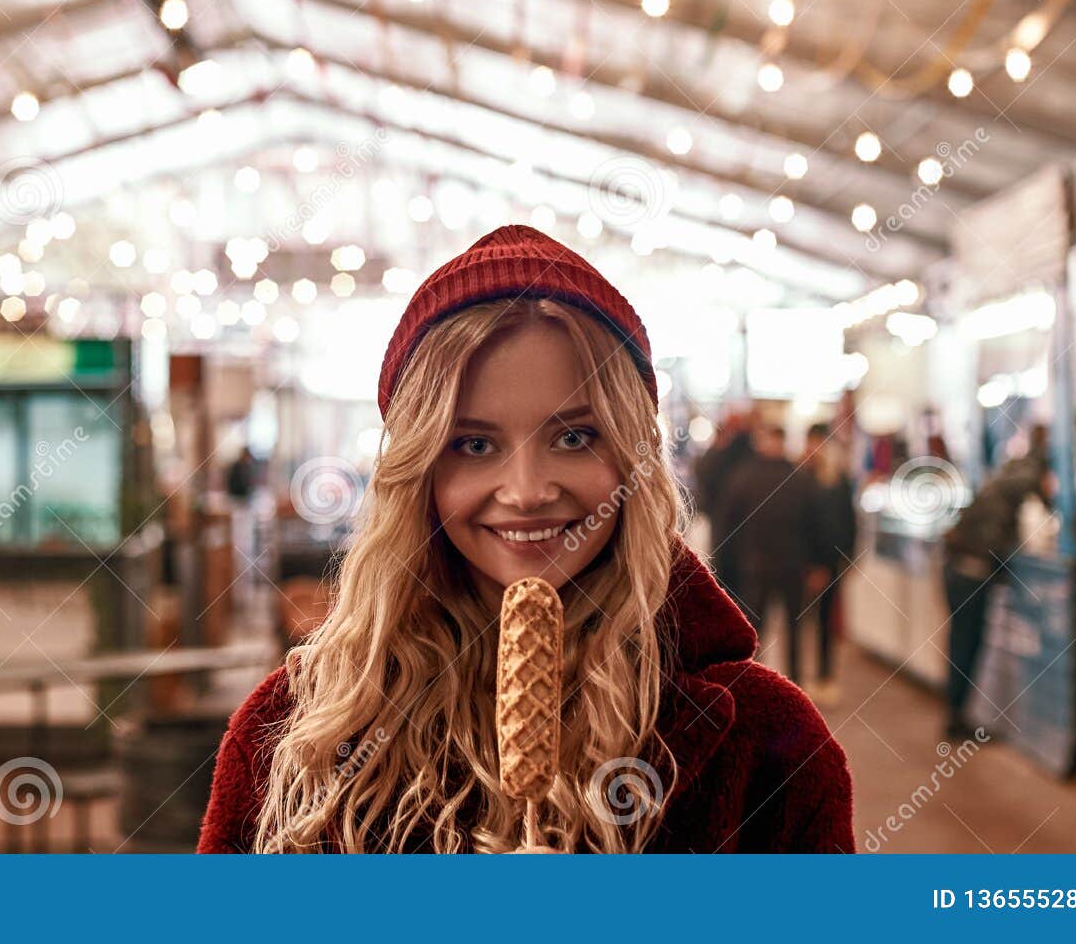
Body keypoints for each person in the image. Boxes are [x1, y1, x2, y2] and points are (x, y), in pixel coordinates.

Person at [198, 225, 853, 853]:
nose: (527, 489)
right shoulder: (290, 729)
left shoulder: (772, 742)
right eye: (475, 444)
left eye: (574, 437)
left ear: (633, 458)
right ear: (417, 473)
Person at [940, 449, 1051, 741]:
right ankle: (956, 718)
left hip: (957, 574)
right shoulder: (1017, 491)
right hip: (970, 578)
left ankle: (957, 713)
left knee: (961, 644)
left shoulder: (999, 484)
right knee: (966, 645)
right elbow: (993, 546)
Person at [710, 424, 821, 685]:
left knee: (753, 633)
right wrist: (816, 564)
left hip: (754, 567)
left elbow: (726, 526)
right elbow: (814, 526)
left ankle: (752, 687)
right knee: (795, 632)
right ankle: (796, 689)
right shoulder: (800, 478)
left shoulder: (742, 477)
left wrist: (723, 567)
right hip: (792, 567)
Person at [803, 423, 856, 704]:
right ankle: (799, 679)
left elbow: (846, 524)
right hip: (803, 564)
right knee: (799, 622)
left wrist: (839, 560)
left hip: (828, 563)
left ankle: (825, 677)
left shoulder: (836, 480)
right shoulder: (802, 476)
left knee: (825, 623)